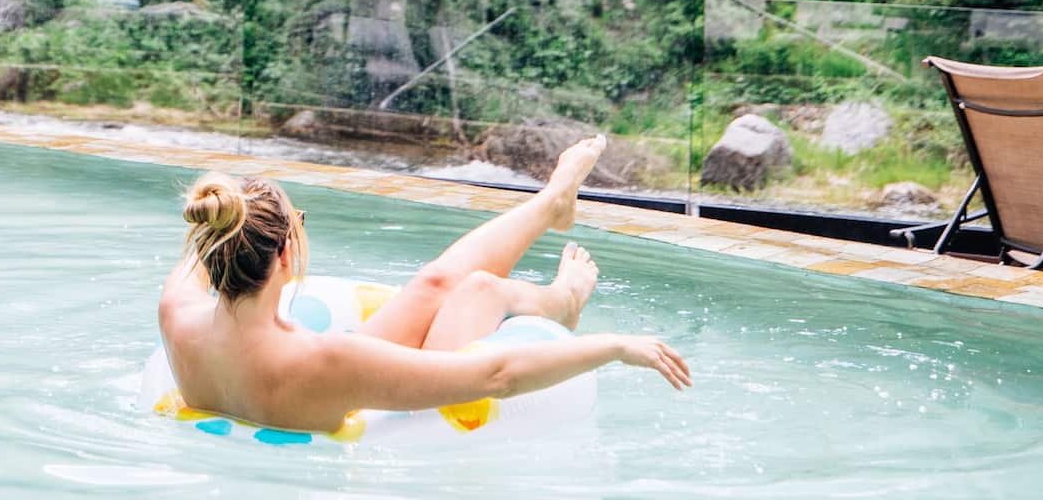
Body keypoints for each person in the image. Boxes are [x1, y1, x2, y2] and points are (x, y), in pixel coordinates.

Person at [157, 134, 691, 435]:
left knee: (436, 283)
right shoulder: (330, 360)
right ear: (286, 254)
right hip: (373, 425)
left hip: (283, 388)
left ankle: (550, 205)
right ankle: (565, 299)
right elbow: (498, 375)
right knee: (481, 290)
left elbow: (202, 249)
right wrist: (617, 346)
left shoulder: (176, 315)